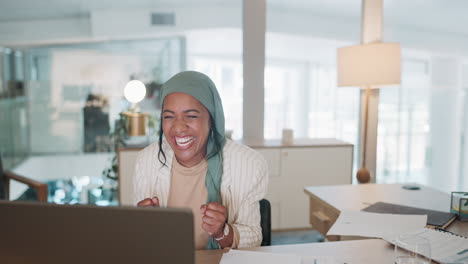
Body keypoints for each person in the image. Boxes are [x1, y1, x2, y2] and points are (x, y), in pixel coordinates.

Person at [133, 71, 268, 250]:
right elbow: (139, 243)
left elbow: (254, 236)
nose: (179, 127)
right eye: (169, 116)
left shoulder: (249, 164)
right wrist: (142, 227)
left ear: (212, 119)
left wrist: (223, 232)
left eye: (191, 116)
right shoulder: (146, 162)